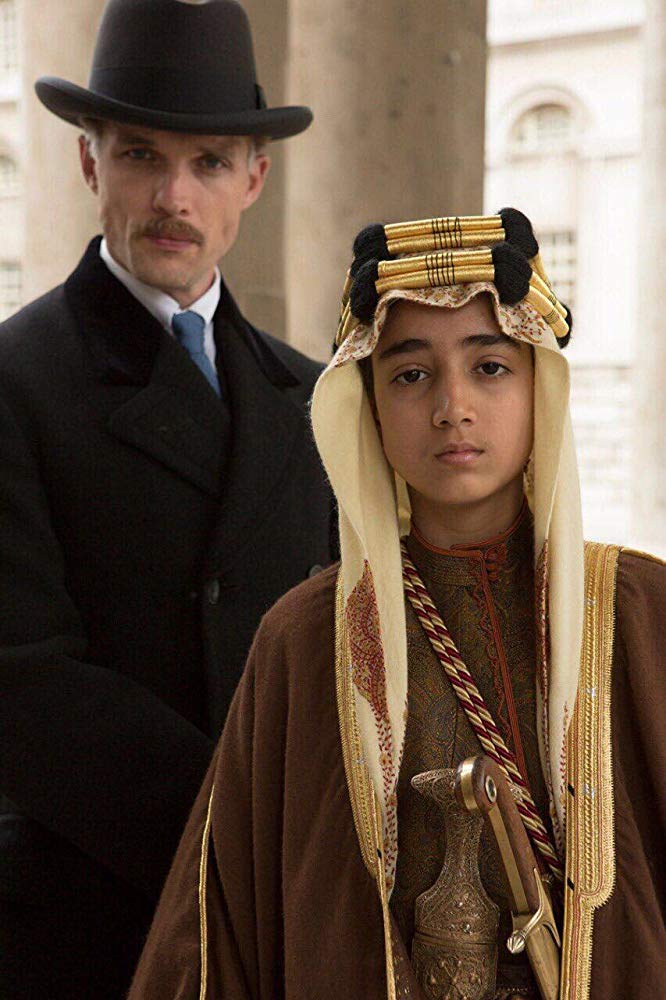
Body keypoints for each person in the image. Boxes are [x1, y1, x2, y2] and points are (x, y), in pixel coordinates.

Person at [130, 209, 665, 1000]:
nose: (453, 406)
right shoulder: (305, 641)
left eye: (490, 366)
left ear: (539, 387)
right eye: (411, 375)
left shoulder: (642, 616)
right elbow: (220, 931)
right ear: (370, 406)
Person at [0, 1, 334, 997]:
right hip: (80, 919)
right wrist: (248, 837)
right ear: (89, 162)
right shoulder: (14, 380)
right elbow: (21, 678)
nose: (174, 197)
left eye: (210, 163)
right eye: (142, 155)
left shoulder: (315, 395)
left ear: (254, 181)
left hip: (277, 925)